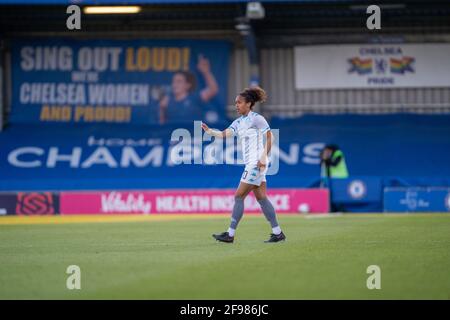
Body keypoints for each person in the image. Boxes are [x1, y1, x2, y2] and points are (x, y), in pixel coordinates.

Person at [201, 86, 286, 243]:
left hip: (256, 163)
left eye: (239, 102)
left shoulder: (257, 118)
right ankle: (278, 233)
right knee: (261, 198)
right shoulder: (238, 122)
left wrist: (262, 158)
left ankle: (230, 234)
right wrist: (210, 132)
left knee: (239, 196)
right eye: (235, 103)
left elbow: (271, 138)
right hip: (253, 163)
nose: (236, 105)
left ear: (248, 103)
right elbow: (224, 134)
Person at [159, 55, 219, 124]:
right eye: (174, 81)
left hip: (194, 134)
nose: (175, 84)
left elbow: (213, 90)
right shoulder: (167, 101)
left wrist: (206, 72)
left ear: (188, 85)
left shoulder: (195, 98)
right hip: (173, 134)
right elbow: (162, 125)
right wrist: (162, 109)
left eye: (179, 81)